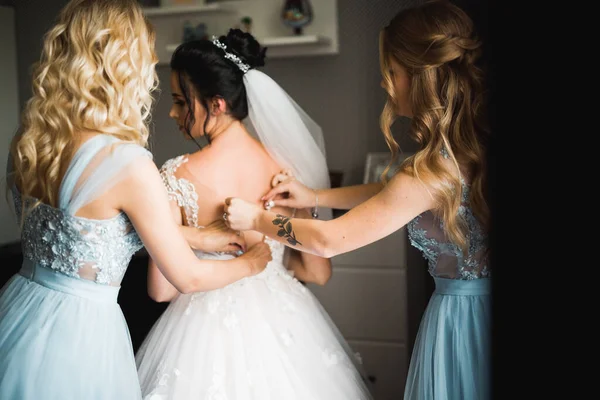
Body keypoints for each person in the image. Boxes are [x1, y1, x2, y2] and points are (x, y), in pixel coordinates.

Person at [0, 2, 270, 399]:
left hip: (20, 307)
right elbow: (188, 278)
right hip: (78, 333)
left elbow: (82, 232)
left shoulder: (31, 140)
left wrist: (195, 236)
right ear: (127, 65)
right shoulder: (124, 162)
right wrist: (251, 263)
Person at [223, 1, 491, 399]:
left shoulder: (429, 172)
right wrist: (314, 194)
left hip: (459, 322)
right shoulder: (467, 149)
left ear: (420, 77)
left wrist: (255, 220)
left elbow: (328, 240)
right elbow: (392, 193)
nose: (385, 83)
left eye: (392, 72)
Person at [135, 29, 373, 400]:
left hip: (199, 336)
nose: (172, 112)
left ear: (217, 104)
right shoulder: (288, 170)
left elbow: (162, 290)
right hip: (289, 328)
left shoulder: (175, 174)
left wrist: (182, 236)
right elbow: (317, 272)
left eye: (181, 102)